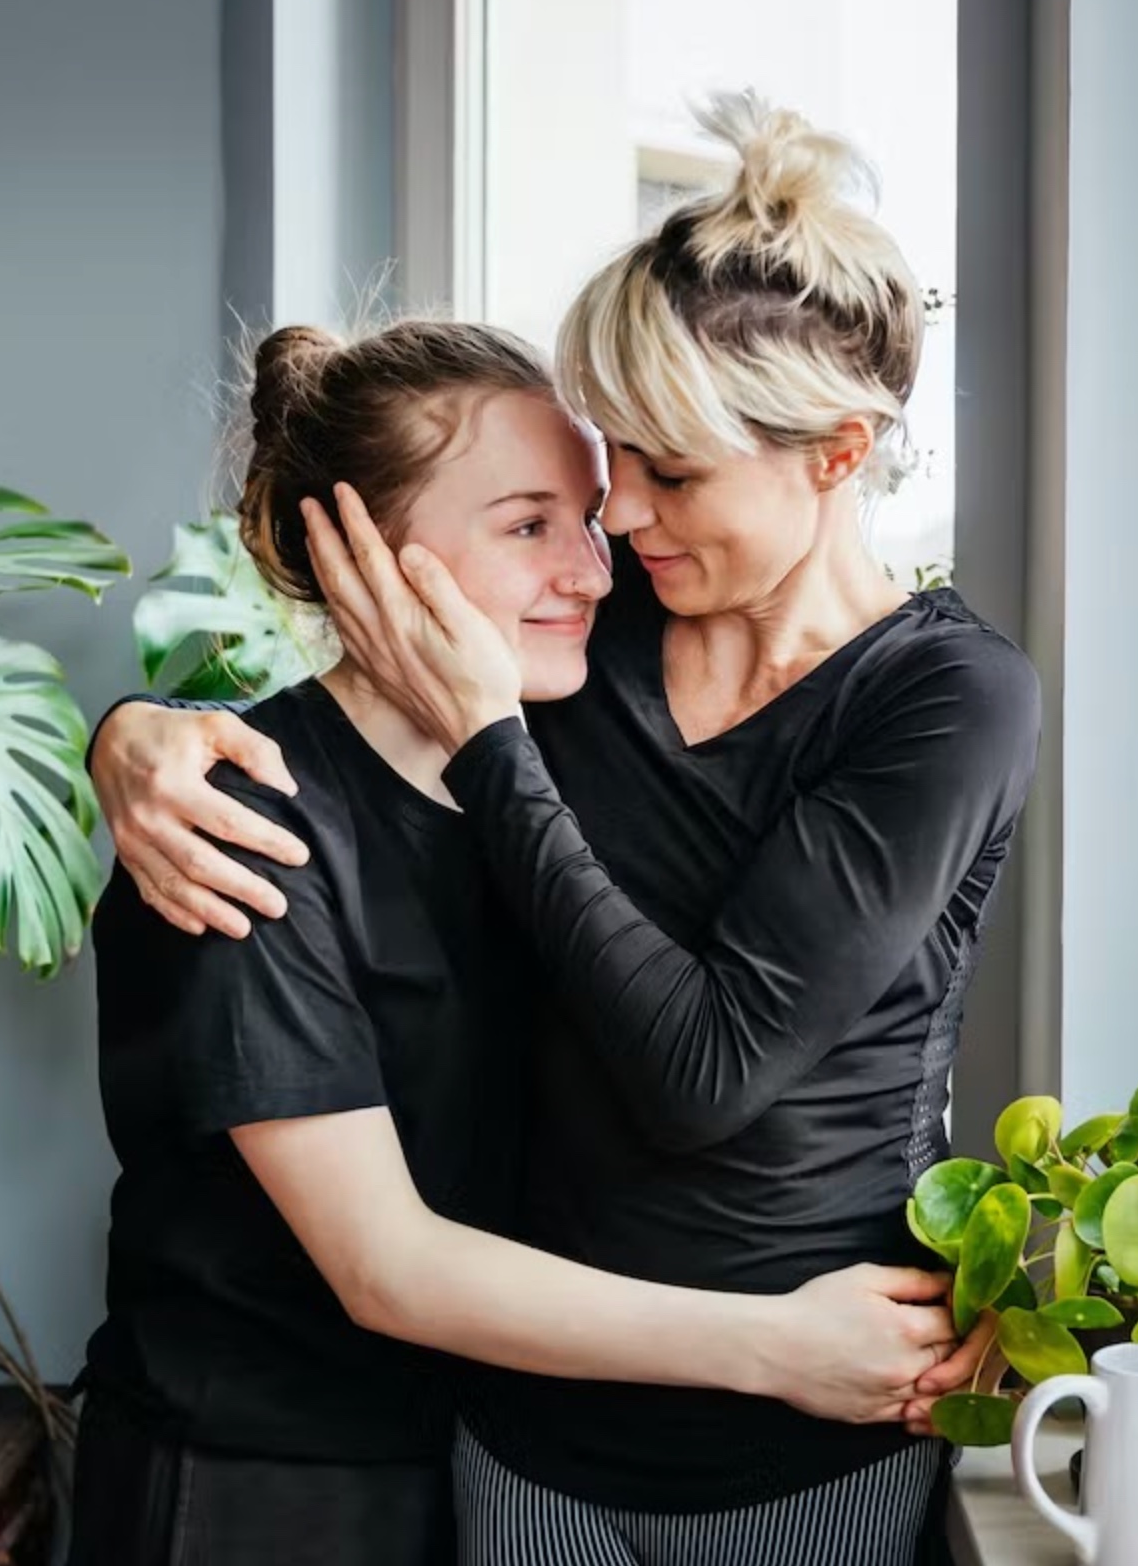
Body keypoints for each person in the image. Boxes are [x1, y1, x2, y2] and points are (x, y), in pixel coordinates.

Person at [89, 94, 1044, 1565]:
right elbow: (392, 1259)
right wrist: (135, 739)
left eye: (658, 481)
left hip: (750, 1434)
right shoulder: (461, 708)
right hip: (410, 1444)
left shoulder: (912, 692)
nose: (618, 546)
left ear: (839, 455)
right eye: (588, 494)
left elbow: (728, 1062)